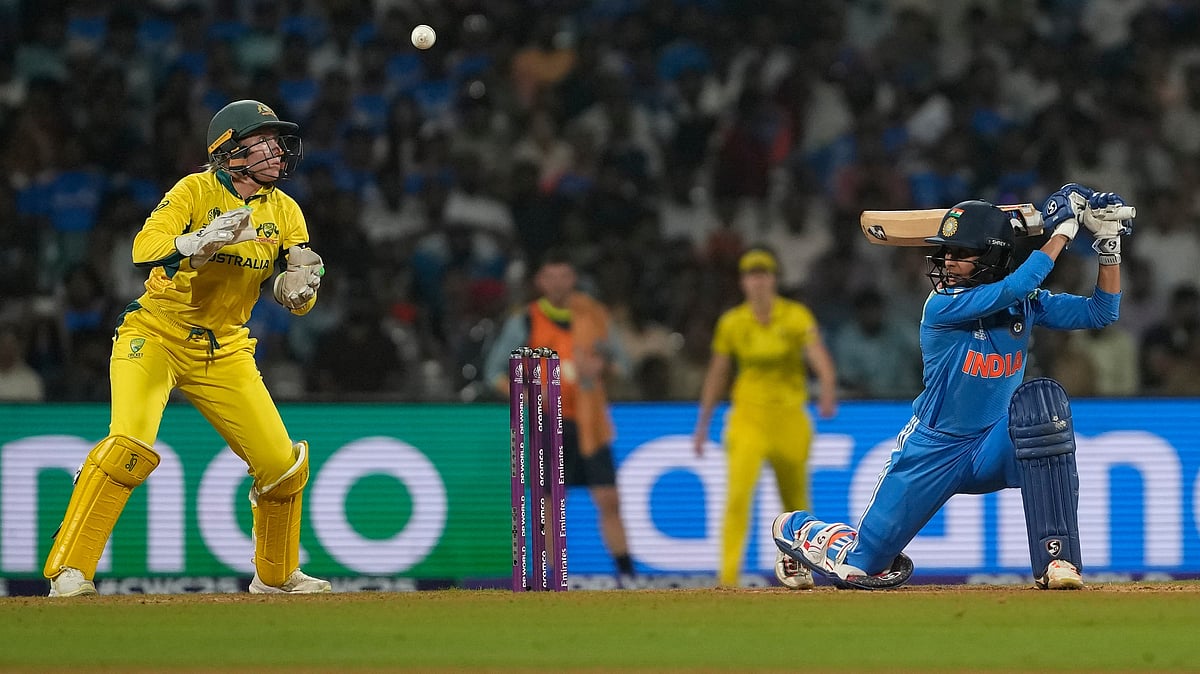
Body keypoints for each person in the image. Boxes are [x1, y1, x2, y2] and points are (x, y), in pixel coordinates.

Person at [772, 184, 1130, 590]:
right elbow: (1012, 287)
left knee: (1042, 409)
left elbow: (1103, 311)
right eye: (945, 252)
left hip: (993, 443)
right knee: (862, 568)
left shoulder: (1025, 303)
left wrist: (1107, 245)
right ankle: (796, 529)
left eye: (960, 253)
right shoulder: (942, 305)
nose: (947, 262)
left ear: (992, 256)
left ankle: (1058, 560)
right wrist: (1063, 231)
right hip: (935, 448)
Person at [44, 100, 330, 596]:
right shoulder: (193, 190)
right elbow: (142, 248)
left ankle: (276, 576)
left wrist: (299, 290)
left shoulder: (286, 211)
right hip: (155, 333)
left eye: (277, 142)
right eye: (264, 141)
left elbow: (295, 281)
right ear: (231, 152)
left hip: (226, 349)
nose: (277, 151)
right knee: (127, 447)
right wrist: (194, 242)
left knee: (282, 467)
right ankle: (69, 570)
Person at [483, 249, 637, 582]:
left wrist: (602, 367)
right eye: (550, 276)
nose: (557, 283)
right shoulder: (526, 319)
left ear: (573, 279)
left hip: (590, 421)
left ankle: (628, 574)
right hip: (547, 420)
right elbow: (494, 371)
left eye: (564, 275)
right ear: (540, 281)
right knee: (550, 501)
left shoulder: (594, 316)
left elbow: (622, 365)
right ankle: (554, 577)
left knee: (608, 497)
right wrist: (525, 394)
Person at [692, 247, 838, 589]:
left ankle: (802, 573)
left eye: (763, 274)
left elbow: (817, 354)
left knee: (797, 503)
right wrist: (703, 424)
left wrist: (828, 386)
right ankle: (727, 580)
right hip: (747, 417)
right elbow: (718, 373)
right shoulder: (732, 322)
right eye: (751, 275)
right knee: (738, 497)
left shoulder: (795, 315)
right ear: (743, 282)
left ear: (774, 278)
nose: (757, 282)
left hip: (789, 418)